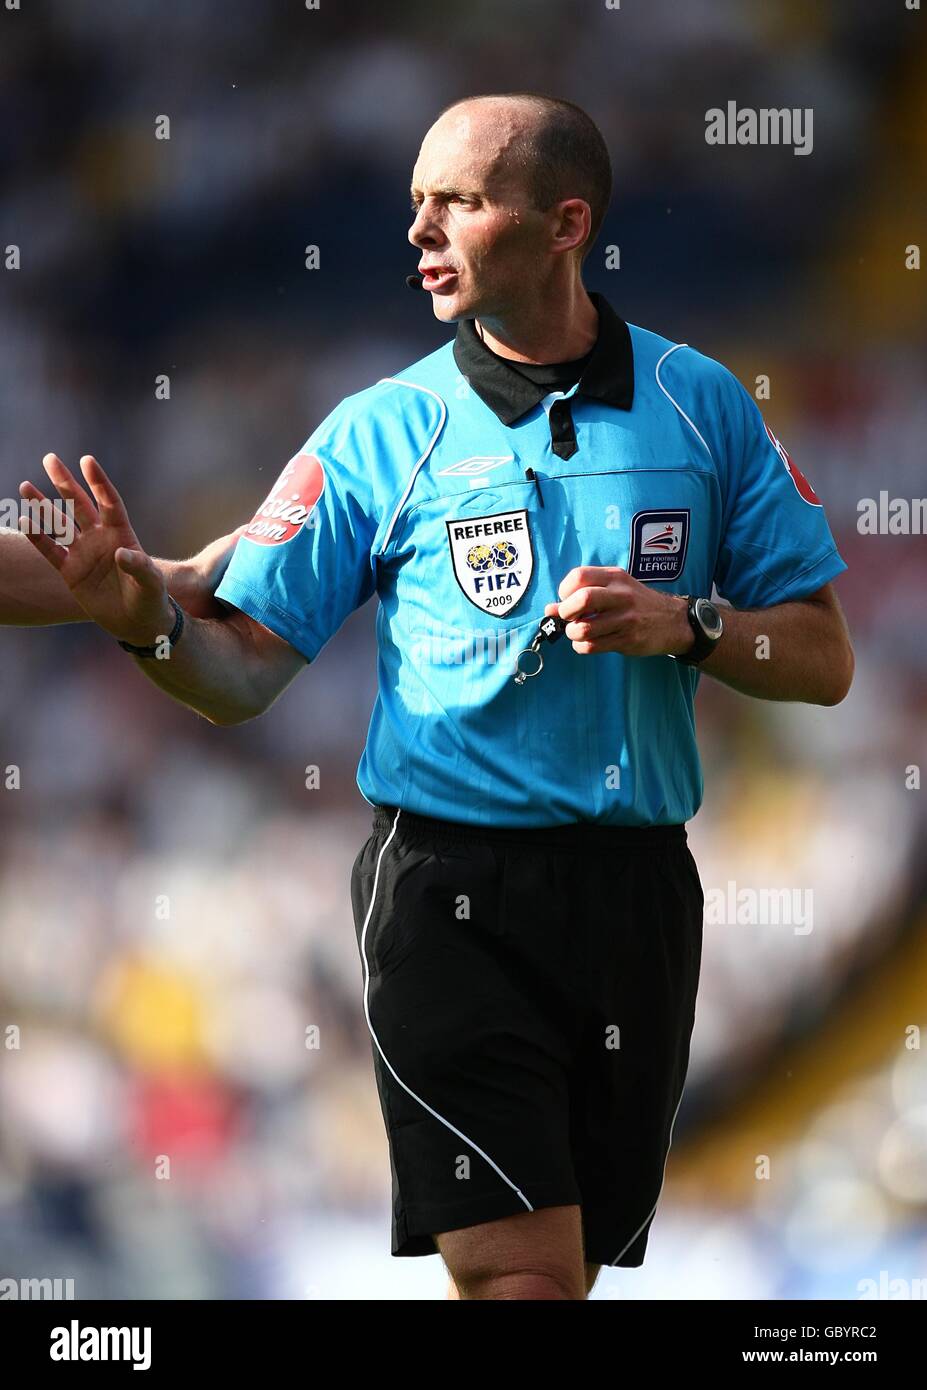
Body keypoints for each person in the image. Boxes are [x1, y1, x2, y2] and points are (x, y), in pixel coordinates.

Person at [11, 92, 854, 1300]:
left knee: (567, 1276)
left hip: (641, 900)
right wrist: (141, 621)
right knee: (524, 1280)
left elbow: (823, 660)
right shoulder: (379, 428)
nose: (421, 229)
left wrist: (690, 624)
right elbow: (242, 670)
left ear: (566, 222)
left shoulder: (701, 404)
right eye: (415, 202)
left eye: (456, 202)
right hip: (447, 894)